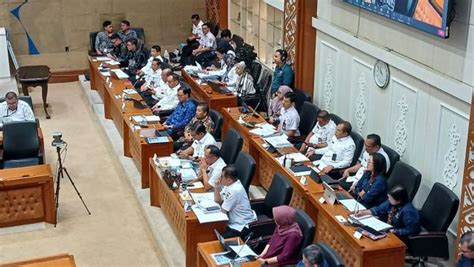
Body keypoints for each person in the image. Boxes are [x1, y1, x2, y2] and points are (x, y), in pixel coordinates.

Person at [355, 186, 421, 239]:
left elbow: (411, 230)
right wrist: (363, 212)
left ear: (399, 200)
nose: (388, 199)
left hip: (401, 236)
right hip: (389, 230)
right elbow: (378, 209)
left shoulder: (408, 211)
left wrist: (395, 231)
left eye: (391, 198)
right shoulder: (391, 203)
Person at [214, 165, 256, 238]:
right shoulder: (230, 184)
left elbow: (223, 211)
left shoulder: (234, 190)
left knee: (216, 236)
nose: (219, 178)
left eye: (222, 176)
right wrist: (217, 187)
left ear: (229, 180)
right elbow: (218, 200)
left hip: (241, 225)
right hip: (233, 220)